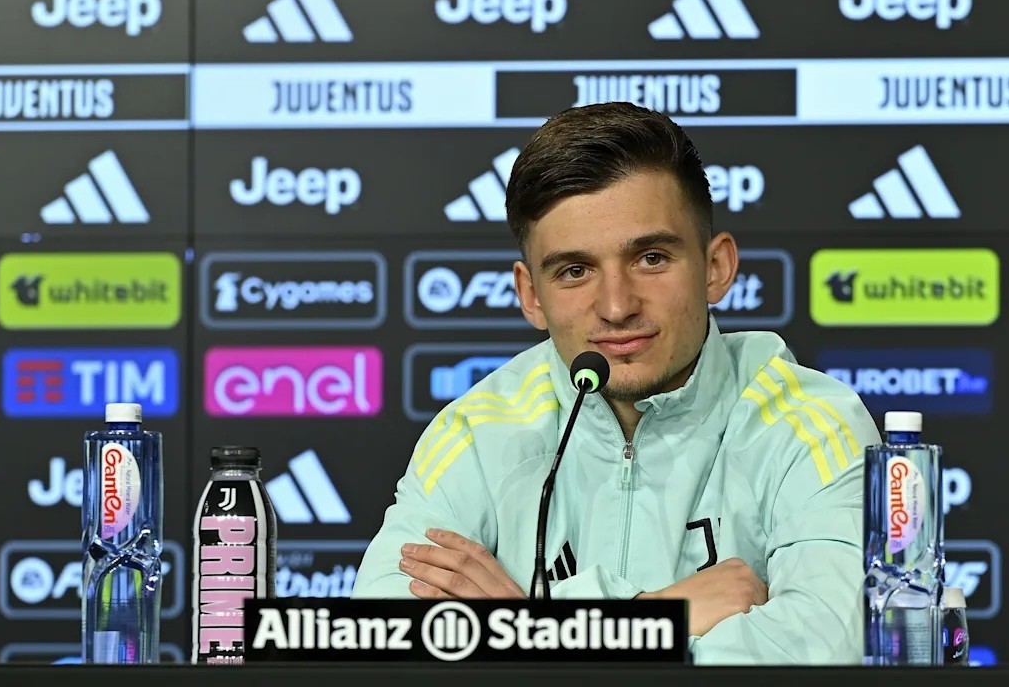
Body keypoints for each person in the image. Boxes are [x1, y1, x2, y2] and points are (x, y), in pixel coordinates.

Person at [352, 102, 882, 665]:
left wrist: (524, 634)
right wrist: (653, 616)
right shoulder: (479, 431)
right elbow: (382, 645)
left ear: (716, 268)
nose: (616, 305)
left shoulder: (812, 424)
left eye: (651, 258)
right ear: (531, 295)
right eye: (575, 271)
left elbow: (827, 648)